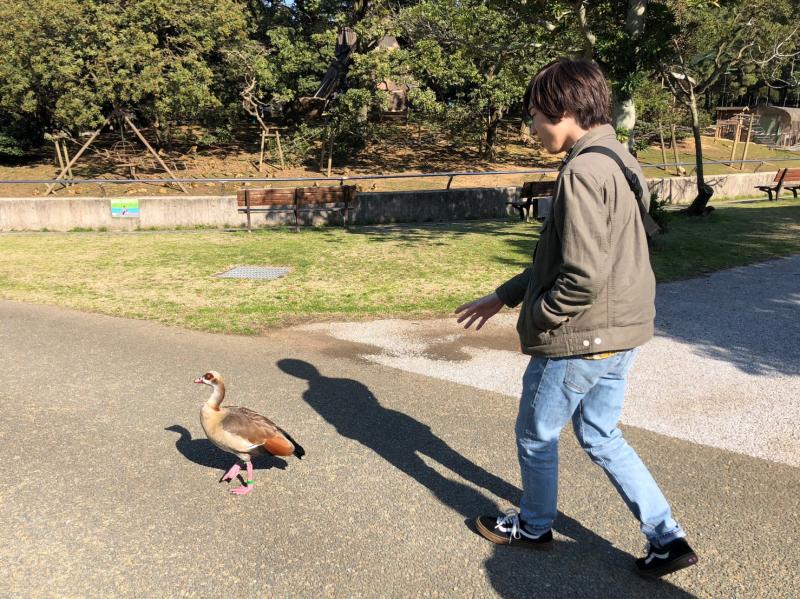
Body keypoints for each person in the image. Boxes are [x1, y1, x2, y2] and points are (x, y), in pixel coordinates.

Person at [454, 58, 698, 578]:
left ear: (561, 110)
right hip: (622, 331)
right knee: (602, 435)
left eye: (534, 117)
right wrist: (506, 295)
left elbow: (581, 274)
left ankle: (535, 526)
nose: (532, 129)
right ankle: (667, 537)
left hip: (584, 336)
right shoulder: (618, 157)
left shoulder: (584, 170)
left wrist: (541, 320)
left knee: (535, 434)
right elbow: (560, 253)